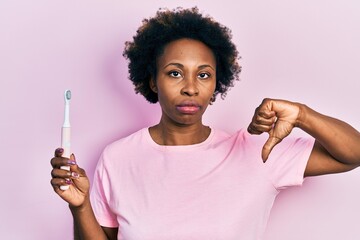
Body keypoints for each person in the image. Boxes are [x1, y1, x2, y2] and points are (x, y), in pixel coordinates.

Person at [50, 7, 360, 240]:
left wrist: (303, 114)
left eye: (203, 74)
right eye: (174, 72)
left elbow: (353, 153)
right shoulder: (118, 158)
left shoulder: (258, 152)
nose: (190, 87)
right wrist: (80, 208)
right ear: (153, 81)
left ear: (216, 84)